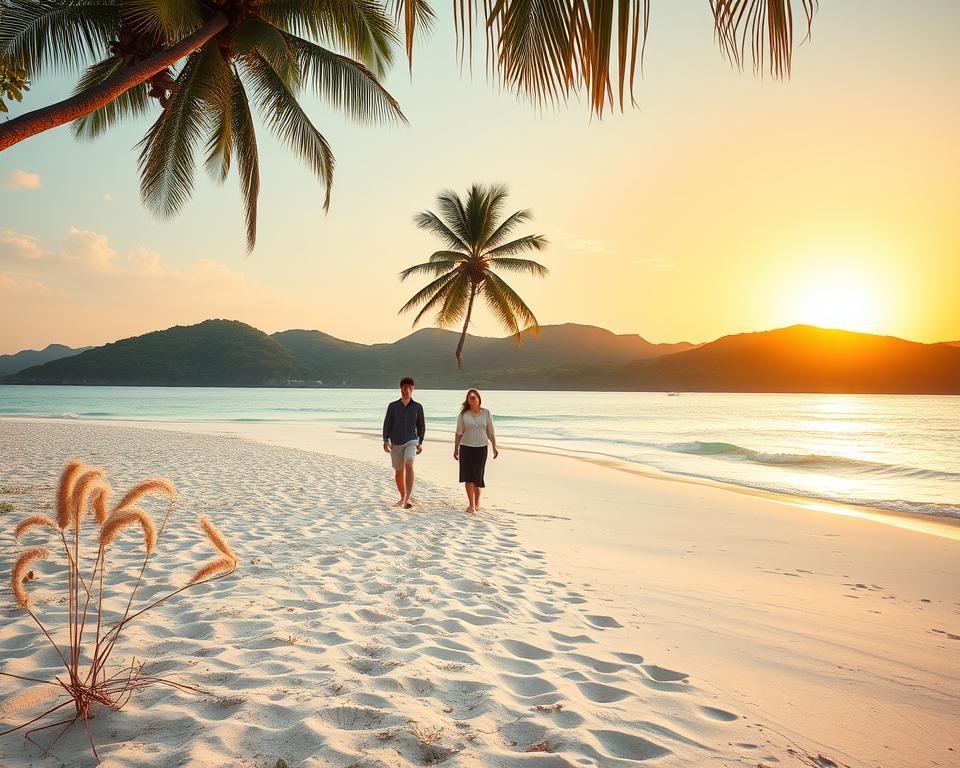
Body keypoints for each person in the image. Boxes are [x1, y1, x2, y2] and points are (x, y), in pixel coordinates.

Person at [383, 376, 425, 509]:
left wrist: (420, 441)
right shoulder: (393, 406)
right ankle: (402, 497)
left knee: (409, 464)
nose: (405, 390)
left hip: (411, 441)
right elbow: (387, 424)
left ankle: (407, 500)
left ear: (413, 389)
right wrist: (385, 440)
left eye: (408, 387)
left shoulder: (418, 407)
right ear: (400, 389)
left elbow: (421, 426)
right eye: (403, 387)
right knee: (398, 471)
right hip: (396, 441)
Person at [453, 388, 498, 513]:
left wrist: (494, 447)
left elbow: (490, 431)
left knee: (478, 478)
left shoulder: (486, 413)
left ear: (479, 399)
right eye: (469, 397)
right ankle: (471, 505)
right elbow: (458, 432)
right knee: (468, 478)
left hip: (481, 448)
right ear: (467, 400)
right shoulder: (463, 415)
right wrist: (456, 448)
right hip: (466, 448)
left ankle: (477, 504)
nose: (472, 399)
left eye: (474, 397)